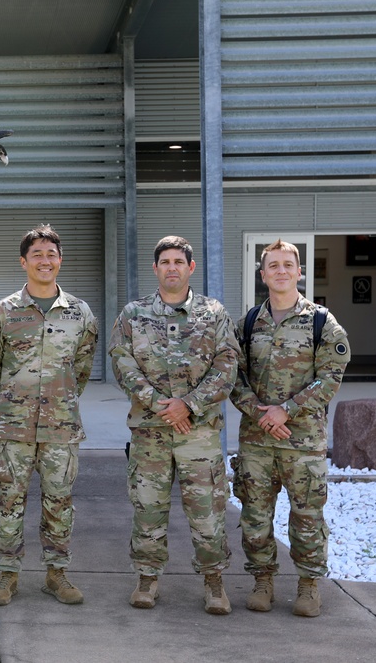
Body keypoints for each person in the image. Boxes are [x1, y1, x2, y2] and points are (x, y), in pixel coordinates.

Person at [109, 235, 239, 615]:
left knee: (208, 511)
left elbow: (227, 366)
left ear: (190, 268)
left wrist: (189, 405)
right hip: (150, 434)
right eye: (164, 261)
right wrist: (158, 404)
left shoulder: (213, 314)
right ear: (155, 268)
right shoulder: (133, 315)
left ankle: (215, 583)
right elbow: (122, 363)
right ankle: (147, 579)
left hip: (197, 434)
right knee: (148, 508)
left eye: (178, 262)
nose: (171, 268)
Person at [0, 225, 97, 606]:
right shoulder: (3, 312)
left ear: (60, 260)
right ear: (23, 262)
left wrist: (56, 401)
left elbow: (81, 369)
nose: (44, 261)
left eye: (51, 254)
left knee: (59, 501)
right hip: (13, 427)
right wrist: (16, 402)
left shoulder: (80, 313)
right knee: (9, 501)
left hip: (61, 427)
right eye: (37, 255)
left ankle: (56, 574)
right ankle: (7, 575)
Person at [230, 240, 350, 617]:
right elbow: (232, 375)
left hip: (303, 442)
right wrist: (262, 413)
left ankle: (308, 585)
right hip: (257, 441)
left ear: (299, 273)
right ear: (262, 274)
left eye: (288, 265)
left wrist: (287, 410)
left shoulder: (320, 322)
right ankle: (262, 581)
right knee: (254, 516)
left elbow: (331, 376)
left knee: (307, 516)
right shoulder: (248, 323)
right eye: (273, 265)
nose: (280, 271)